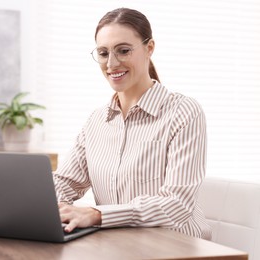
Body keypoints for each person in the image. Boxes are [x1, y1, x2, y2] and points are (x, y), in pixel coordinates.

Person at [54, 7, 212, 240]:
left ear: (149, 48)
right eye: (103, 53)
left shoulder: (183, 112)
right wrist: (49, 204)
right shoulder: (97, 121)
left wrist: (97, 214)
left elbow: (176, 205)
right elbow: (65, 182)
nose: (112, 64)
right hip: (119, 247)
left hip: (179, 248)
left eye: (123, 50)